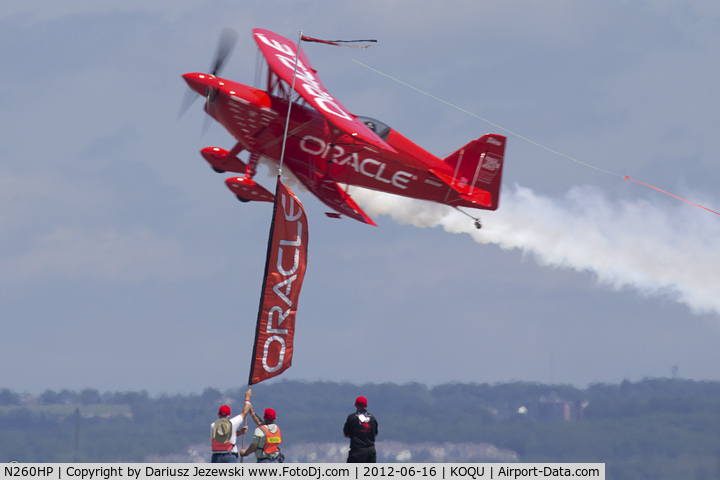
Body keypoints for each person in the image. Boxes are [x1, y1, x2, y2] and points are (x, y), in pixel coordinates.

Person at [210, 389, 253, 463]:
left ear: (218, 414)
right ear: (229, 415)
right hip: (230, 455)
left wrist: (239, 432)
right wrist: (247, 399)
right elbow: (244, 413)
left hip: (216, 457)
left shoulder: (213, 426)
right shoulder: (232, 423)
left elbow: (223, 435)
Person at [343, 395, 379, 463]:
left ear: (355, 405)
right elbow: (374, 434)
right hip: (371, 451)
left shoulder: (352, 418)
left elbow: (346, 434)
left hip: (357, 451)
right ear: (366, 405)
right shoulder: (373, 418)